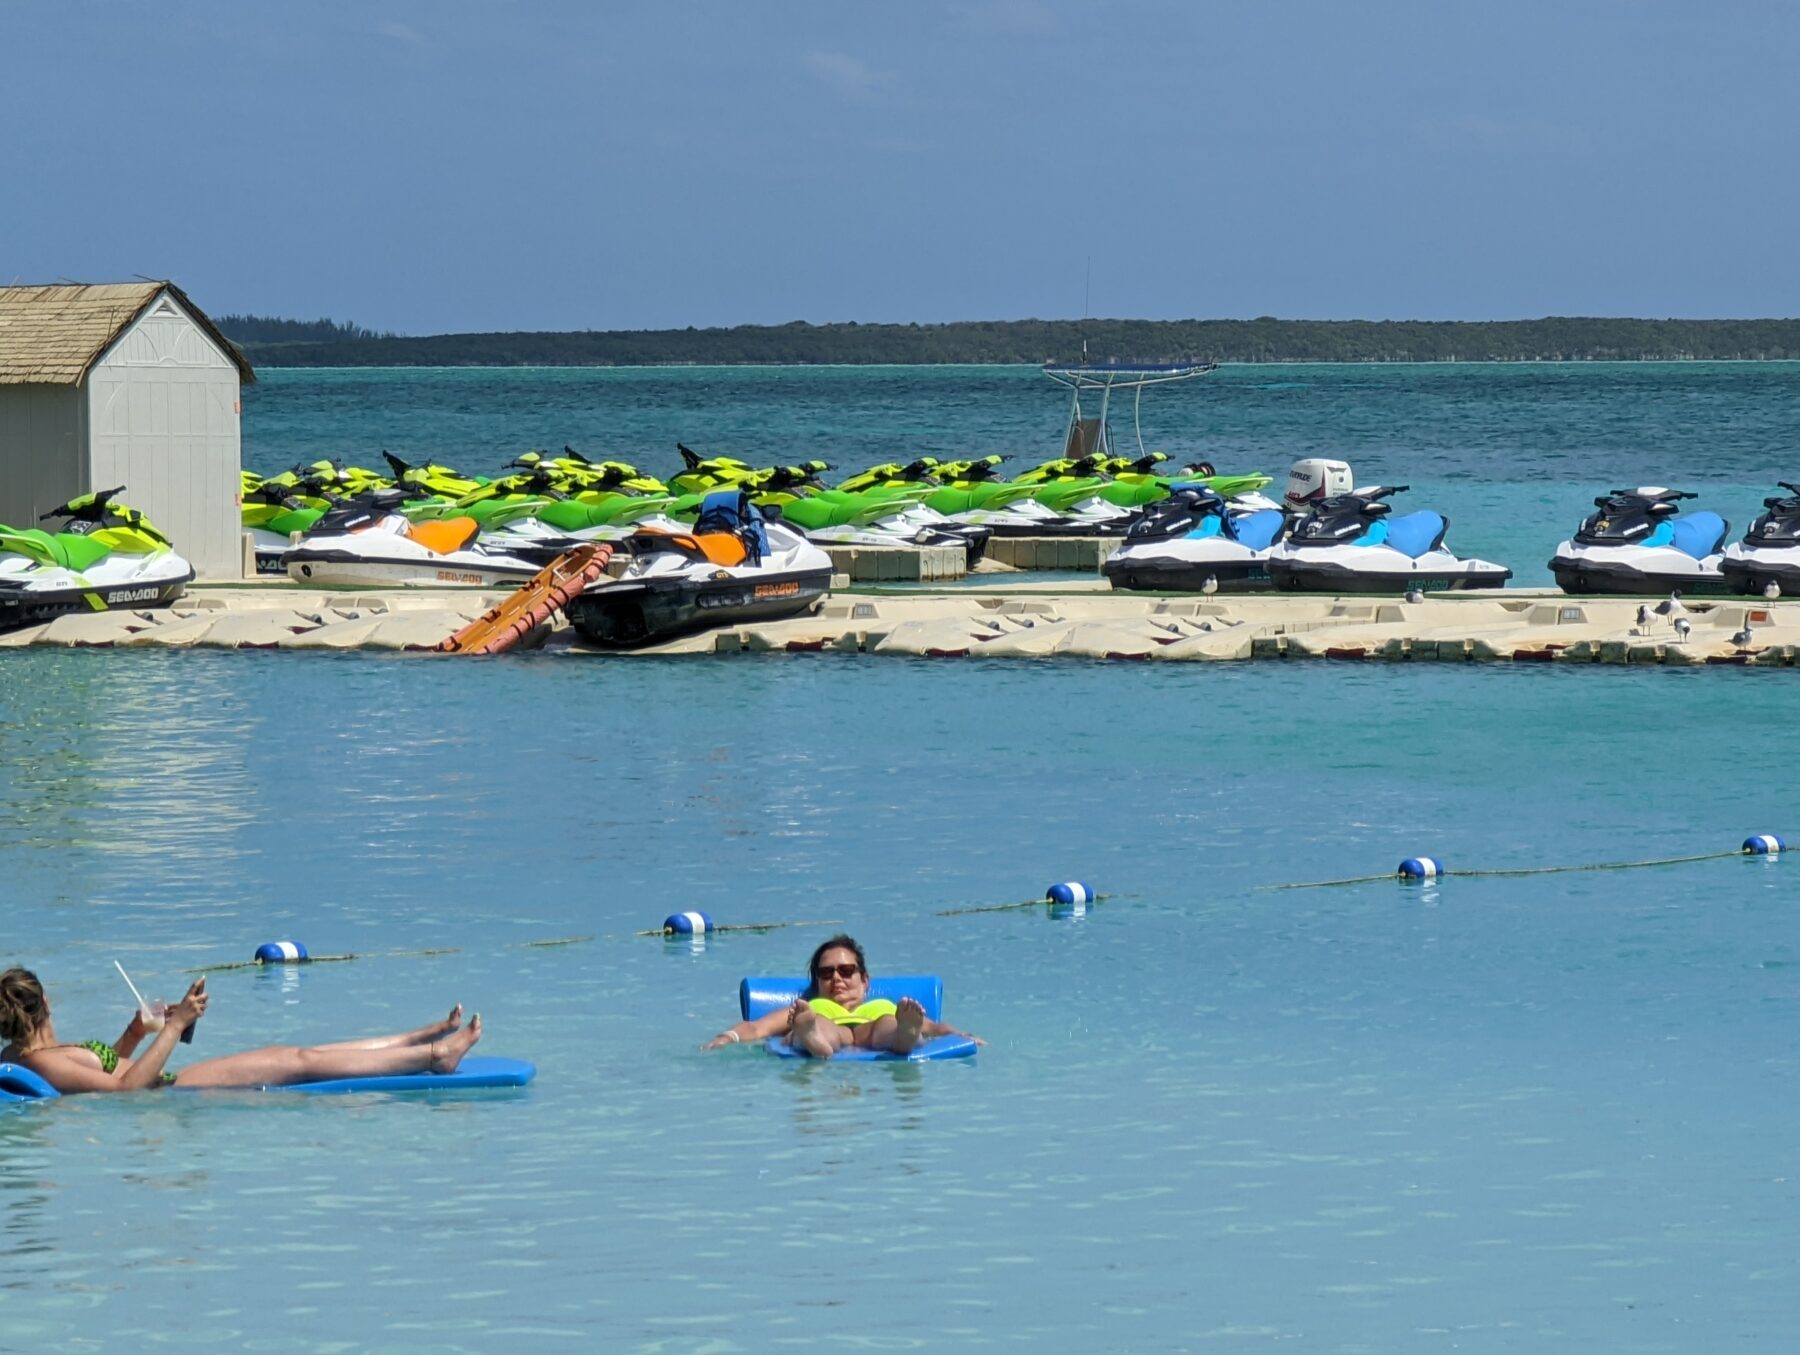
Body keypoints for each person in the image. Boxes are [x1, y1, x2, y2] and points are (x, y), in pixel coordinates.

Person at [0, 968, 481, 1093]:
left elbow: (110, 1071)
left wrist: (137, 1031)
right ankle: (434, 1056)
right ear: (45, 1003)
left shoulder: (32, 1057)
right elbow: (126, 1089)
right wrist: (179, 1025)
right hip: (176, 1092)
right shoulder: (38, 1061)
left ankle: (414, 1041)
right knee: (298, 1062)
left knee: (297, 1055)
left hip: (173, 1088)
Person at [701, 934, 981, 1057]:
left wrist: (964, 1035)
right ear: (817, 982)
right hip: (824, 1025)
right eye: (826, 973)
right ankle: (812, 1038)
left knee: (888, 1022)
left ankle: (904, 1037)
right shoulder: (808, 1007)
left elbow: (936, 1027)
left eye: (846, 971)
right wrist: (727, 1037)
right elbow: (756, 1027)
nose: (836, 978)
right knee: (819, 1023)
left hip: (876, 1026)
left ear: (865, 980)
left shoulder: (887, 1007)